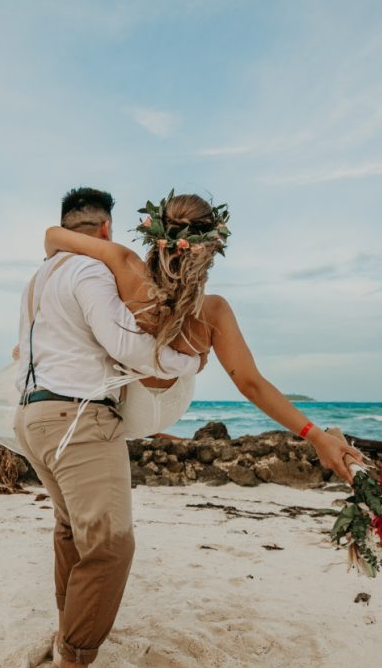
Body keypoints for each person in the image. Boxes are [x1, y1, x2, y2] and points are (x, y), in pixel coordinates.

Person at [12, 187, 204, 668]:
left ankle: (63, 635)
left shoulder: (40, 277)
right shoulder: (90, 272)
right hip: (78, 419)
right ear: (104, 231)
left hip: (37, 417)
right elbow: (126, 346)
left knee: (73, 534)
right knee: (112, 546)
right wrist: (190, 356)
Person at [43, 191, 364, 478]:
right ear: (211, 246)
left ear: (155, 235)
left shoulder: (123, 263)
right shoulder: (213, 310)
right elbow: (252, 385)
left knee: (100, 322)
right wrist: (317, 436)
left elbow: (53, 235)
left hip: (128, 408)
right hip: (171, 408)